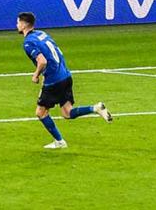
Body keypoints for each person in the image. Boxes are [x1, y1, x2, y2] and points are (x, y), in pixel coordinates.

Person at [16, 12, 112, 149]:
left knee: (40, 113)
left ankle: (60, 142)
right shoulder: (41, 34)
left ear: (24, 24)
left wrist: (36, 75)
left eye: (18, 22)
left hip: (54, 81)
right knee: (67, 112)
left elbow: (42, 61)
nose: (17, 25)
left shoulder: (28, 42)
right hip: (65, 76)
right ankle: (95, 108)